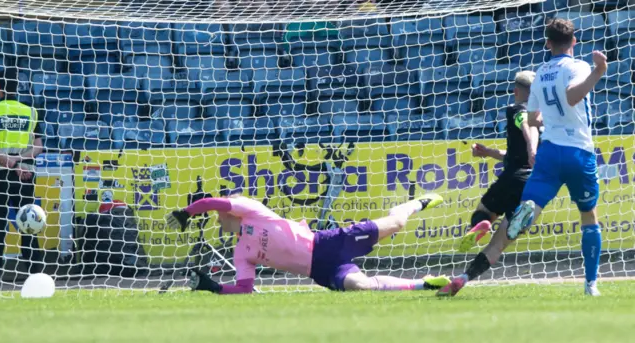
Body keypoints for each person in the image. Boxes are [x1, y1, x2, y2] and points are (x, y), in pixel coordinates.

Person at [165, 193, 450, 293]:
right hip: (320, 272)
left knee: (397, 224)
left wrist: (187, 212)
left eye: (218, 215)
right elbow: (244, 289)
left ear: (231, 211)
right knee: (360, 287)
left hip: (328, 244)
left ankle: (416, 203)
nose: (216, 219)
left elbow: (212, 201)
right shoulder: (241, 252)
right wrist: (213, 287)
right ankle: (425, 284)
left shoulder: (253, 210)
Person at [505, 18, 606, 296]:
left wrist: (547, 124)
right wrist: (599, 70)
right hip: (578, 150)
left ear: (548, 43)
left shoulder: (540, 73)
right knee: (588, 215)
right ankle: (591, 284)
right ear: (574, 41)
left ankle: (527, 211)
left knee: (534, 202)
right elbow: (574, 96)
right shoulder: (579, 66)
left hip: (549, 150)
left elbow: (534, 117)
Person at [436, 71, 542, 297]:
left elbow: (524, 124)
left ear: (516, 91)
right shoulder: (546, 120)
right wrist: (488, 152)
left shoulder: (518, 110)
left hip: (512, 178)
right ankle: (464, 278)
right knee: (498, 245)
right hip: (533, 186)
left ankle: (481, 224)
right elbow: (515, 153)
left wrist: (530, 144)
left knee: (483, 211)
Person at [0, 68, 45, 282]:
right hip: (25, 173)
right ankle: (36, 273)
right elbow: (39, 147)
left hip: (0, 173)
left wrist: (8, 160)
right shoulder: (31, 111)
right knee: (29, 221)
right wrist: (20, 161)